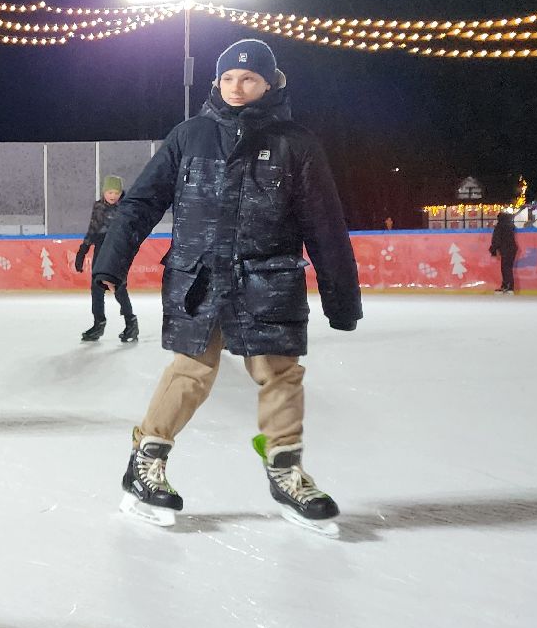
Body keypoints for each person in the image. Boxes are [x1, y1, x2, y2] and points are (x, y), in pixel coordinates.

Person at [93, 39, 361, 534]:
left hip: (269, 277)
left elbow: (325, 225)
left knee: (279, 372)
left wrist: (341, 299)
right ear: (217, 82)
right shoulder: (189, 136)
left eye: (249, 79)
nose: (237, 87)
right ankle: (145, 463)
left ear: (269, 83)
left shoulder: (297, 144)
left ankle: (285, 471)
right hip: (199, 275)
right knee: (191, 370)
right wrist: (111, 259)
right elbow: (141, 203)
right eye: (229, 79)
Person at [75, 175, 138, 343]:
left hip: (117, 250)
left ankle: (131, 323)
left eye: (116, 192)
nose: (113, 195)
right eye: (110, 192)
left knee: (118, 287)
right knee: (96, 288)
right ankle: (98, 324)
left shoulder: (126, 207)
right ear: (104, 192)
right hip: (100, 248)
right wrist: (83, 250)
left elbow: (130, 230)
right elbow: (93, 229)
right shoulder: (98, 207)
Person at [490, 210, 520, 293]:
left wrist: (493, 250)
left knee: (505, 268)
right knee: (507, 268)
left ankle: (508, 287)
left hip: (506, 249)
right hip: (512, 249)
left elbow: (496, 239)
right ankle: (506, 286)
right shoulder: (510, 225)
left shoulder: (500, 226)